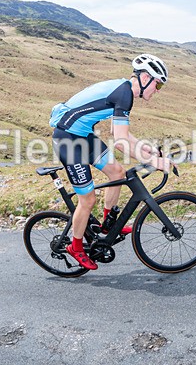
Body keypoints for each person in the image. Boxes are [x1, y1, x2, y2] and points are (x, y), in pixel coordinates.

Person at [49, 54, 171, 270]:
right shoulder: (124, 94)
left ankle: (108, 224)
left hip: (82, 136)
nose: (157, 91)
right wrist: (154, 161)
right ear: (145, 78)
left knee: (117, 172)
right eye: (158, 85)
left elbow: (118, 132)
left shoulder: (125, 91)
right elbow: (121, 144)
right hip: (67, 139)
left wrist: (148, 149)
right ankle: (75, 247)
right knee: (87, 200)